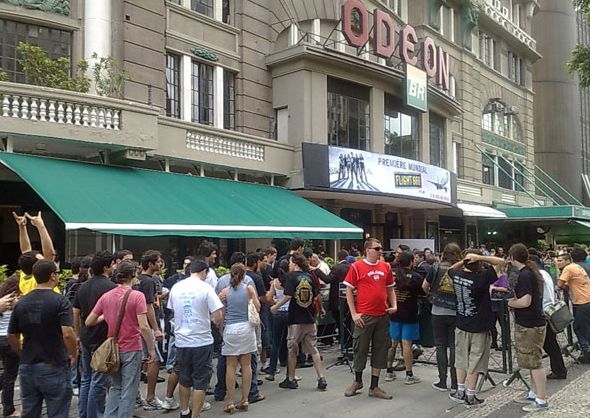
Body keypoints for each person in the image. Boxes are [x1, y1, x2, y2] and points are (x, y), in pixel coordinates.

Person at [85, 260, 156, 418]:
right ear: (133, 275)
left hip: (114, 347)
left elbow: (89, 321)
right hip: (132, 347)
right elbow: (144, 326)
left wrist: (106, 316)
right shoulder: (137, 296)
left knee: (116, 387)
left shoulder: (106, 296)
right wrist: (151, 349)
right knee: (129, 389)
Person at [7, 259, 77, 418]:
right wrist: (74, 353)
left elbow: (12, 335)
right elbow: (67, 333)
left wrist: (21, 353)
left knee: (29, 411)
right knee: (58, 411)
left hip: (28, 364)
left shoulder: (22, 302)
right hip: (54, 362)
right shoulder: (60, 301)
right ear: (52, 276)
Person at [447, 251, 505, 408]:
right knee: (476, 360)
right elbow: (501, 262)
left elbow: (450, 269)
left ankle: (460, 391)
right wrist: (480, 257)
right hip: (479, 325)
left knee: (461, 358)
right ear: (479, 264)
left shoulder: (457, 275)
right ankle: (470, 395)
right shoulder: (482, 278)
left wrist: (464, 260)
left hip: (461, 322)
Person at [167, 260, 224, 418]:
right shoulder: (205, 288)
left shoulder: (177, 287)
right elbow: (218, 313)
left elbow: (172, 309)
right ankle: (195, 415)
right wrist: (216, 323)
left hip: (181, 340)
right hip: (201, 340)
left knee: (184, 378)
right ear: (204, 271)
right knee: (201, 381)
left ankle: (184, 411)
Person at [343, 238, 397, 400]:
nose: (380, 251)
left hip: (382, 314)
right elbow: (348, 290)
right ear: (368, 250)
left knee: (381, 350)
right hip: (365, 314)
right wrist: (354, 313)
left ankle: (374, 386)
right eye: (377, 248)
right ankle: (357, 380)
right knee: (360, 348)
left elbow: (390, 289)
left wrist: (394, 305)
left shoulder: (386, 267)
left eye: (381, 248)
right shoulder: (357, 266)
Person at [270, 254, 327, 391]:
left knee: (292, 350)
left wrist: (275, 307)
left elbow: (288, 296)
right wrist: (320, 309)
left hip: (296, 318)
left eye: (290, 262)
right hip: (309, 317)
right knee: (313, 349)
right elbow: (316, 296)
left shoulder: (291, 276)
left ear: (295, 263)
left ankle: (291, 379)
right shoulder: (310, 276)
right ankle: (321, 377)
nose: (289, 264)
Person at [73, 251, 117, 418]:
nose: (114, 267)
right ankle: (95, 414)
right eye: (112, 264)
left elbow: (75, 312)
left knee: (86, 378)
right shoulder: (112, 288)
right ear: (106, 267)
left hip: (86, 337)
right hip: (103, 338)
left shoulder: (82, 286)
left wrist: (78, 334)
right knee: (99, 381)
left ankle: (82, 414)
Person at [507, 244, 549, 412]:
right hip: (532, 322)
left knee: (535, 362)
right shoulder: (530, 272)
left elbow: (525, 302)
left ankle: (541, 399)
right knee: (531, 362)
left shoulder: (524, 275)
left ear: (512, 257)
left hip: (530, 324)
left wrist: (509, 303)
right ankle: (534, 393)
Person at [219, 263, 260, 413]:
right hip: (246, 328)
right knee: (246, 365)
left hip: (230, 328)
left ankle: (230, 401)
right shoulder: (249, 289)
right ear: (244, 275)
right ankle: (245, 399)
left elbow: (221, 311)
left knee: (230, 366)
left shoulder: (225, 291)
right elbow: (258, 307)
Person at [422, 243, 462, 393]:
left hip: (438, 310)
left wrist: (431, 296)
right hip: (456, 311)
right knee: (454, 347)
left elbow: (424, 286)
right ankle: (456, 382)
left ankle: (442, 381)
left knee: (440, 346)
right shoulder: (460, 268)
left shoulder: (435, 267)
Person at [386, 252, 424, 385]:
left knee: (393, 343)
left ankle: (389, 371)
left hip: (394, 311)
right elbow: (423, 292)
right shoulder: (416, 277)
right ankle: (409, 374)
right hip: (409, 312)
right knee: (407, 344)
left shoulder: (391, 273)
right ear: (411, 262)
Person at [134, 250, 166, 410]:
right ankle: (151, 397)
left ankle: (136, 395)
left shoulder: (137, 280)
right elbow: (148, 306)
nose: (160, 264)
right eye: (158, 261)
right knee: (154, 359)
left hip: (136, 325)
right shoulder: (149, 281)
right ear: (150, 264)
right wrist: (156, 329)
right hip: (145, 326)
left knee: (139, 360)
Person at [530, 254, 567, 380]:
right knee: (551, 343)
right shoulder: (545, 273)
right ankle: (558, 369)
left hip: (544, 311)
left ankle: (559, 370)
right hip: (548, 309)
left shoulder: (538, 276)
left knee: (550, 344)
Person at [556, 252, 590, 363]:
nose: (558, 263)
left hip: (582, 302)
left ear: (567, 260)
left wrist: (564, 285)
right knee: (585, 327)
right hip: (586, 299)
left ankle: (587, 352)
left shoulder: (568, 268)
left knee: (579, 328)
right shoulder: (576, 266)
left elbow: (559, 284)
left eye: (560, 260)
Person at [265, 259, 290, 381]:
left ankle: (272, 371)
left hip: (278, 313)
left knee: (275, 342)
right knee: (290, 342)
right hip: (290, 313)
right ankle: (290, 373)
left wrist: (275, 302)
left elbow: (269, 298)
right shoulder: (290, 280)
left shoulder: (275, 282)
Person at [0, 275, 20, 417]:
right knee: (10, 375)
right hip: (10, 339)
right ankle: (8, 408)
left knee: (7, 372)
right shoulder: (15, 300)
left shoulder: (2, 299)